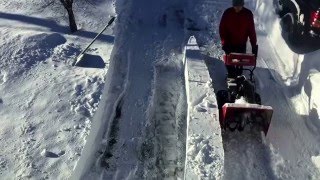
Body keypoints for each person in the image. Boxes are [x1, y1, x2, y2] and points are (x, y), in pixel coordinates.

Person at [219, 0, 258, 78]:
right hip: (229, 43)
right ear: (233, 5)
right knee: (230, 62)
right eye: (235, 6)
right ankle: (231, 77)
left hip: (241, 43)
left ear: (242, 5)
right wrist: (224, 43)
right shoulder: (228, 13)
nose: (237, 8)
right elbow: (222, 29)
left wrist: (254, 45)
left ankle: (239, 79)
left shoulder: (248, 14)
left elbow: (251, 31)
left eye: (239, 6)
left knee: (239, 63)